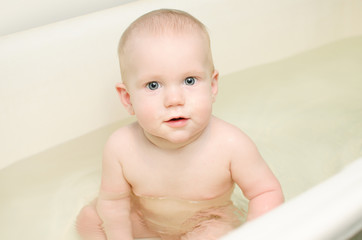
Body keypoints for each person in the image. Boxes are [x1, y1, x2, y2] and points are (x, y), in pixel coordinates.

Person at [76, 9, 284, 240]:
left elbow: (266, 192)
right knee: (89, 218)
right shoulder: (121, 147)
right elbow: (114, 203)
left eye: (189, 80)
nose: (174, 100)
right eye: (153, 85)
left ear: (213, 86)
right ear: (127, 98)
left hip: (205, 223)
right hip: (144, 223)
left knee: (214, 233)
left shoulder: (230, 144)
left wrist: (254, 233)